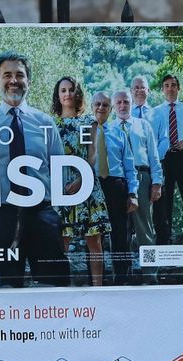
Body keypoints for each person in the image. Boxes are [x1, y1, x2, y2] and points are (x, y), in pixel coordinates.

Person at [0, 52, 67, 288]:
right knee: (4, 289)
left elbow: (59, 168)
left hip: (42, 213)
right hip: (0, 215)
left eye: (20, 75)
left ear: (28, 81)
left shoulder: (45, 123)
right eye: (7, 75)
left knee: (52, 286)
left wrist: (52, 207)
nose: (14, 80)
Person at [50, 77, 109, 287]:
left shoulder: (89, 122)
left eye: (71, 90)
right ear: (58, 95)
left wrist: (80, 180)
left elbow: (93, 156)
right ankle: (61, 288)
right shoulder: (50, 125)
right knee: (61, 241)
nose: (67, 94)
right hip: (61, 189)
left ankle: (98, 288)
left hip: (87, 186)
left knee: (94, 240)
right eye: (63, 90)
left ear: (78, 93)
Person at [147, 73, 183, 250]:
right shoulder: (154, 113)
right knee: (163, 204)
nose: (170, 88)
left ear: (179, 88)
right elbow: (151, 140)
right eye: (166, 85)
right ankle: (164, 244)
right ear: (162, 89)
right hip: (163, 160)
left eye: (173, 85)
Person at [90, 92, 138, 286]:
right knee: (93, 236)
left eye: (105, 105)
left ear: (111, 109)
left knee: (120, 234)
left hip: (116, 186)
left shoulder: (119, 133)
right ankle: (95, 281)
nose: (101, 108)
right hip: (92, 186)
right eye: (98, 104)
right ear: (92, 107)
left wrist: (133, 193)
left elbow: (129, 165)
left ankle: (122, 280)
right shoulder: (85, 131)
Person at [113, 90, 162, 271]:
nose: (123, 106)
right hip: (118, 181)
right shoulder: (109, 128)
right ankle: (123, 274)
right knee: (120, 229)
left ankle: (151, 272)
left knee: (145, 228)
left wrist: (157, 182)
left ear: (131, 103)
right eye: (118, 103)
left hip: (142, 177)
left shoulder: (143, 125)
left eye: (126, 102)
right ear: (113, 106)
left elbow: (153, 156)